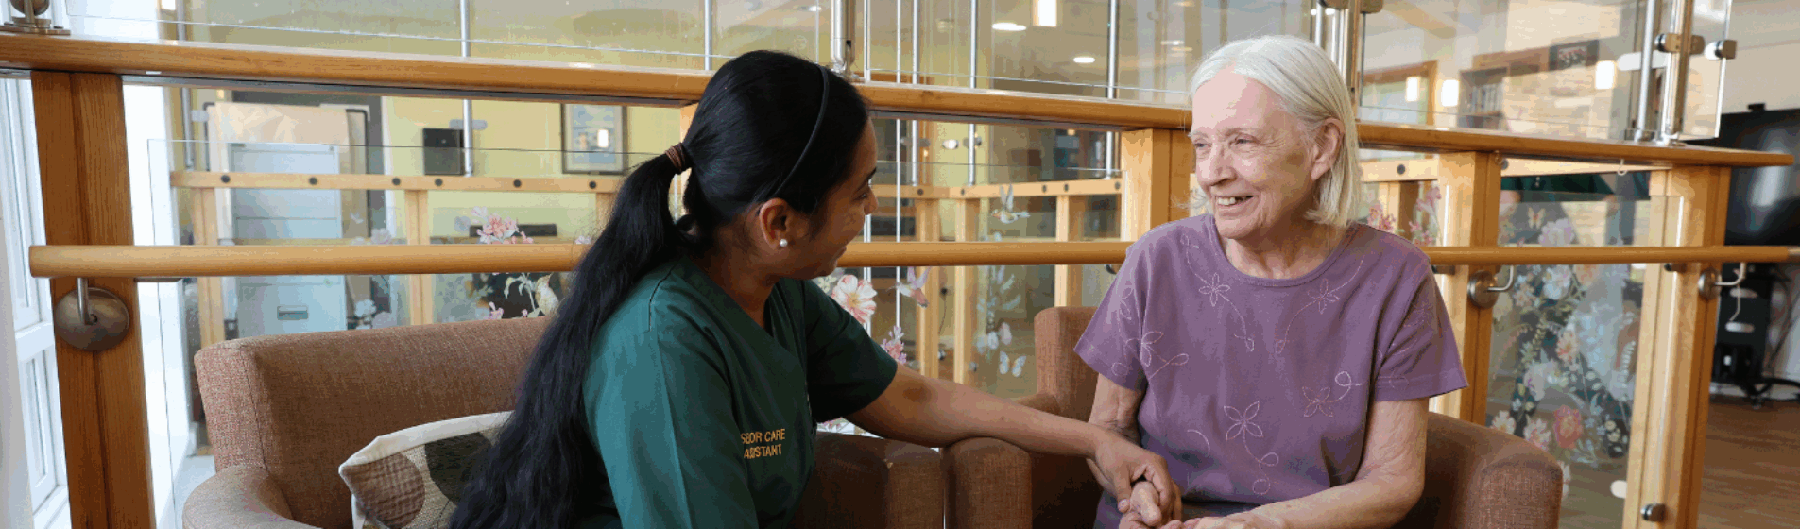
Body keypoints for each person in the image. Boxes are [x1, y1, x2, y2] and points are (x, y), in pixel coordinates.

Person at [449, 50, 1180, 529]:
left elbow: (911, 398)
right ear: (779, 221)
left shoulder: (774, 292)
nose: (870, 209)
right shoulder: (664, 342)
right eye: (860, 191)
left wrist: (1096, 439)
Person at [1077, 35, 1466, 529]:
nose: (1211, 173)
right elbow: (1106, 429)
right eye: (1202, 145)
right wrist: (1136, 500)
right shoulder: (1157, 259)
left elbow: (1392, 479)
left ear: (1321, 147)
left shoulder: (1395, 278)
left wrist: (1256, 526)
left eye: (1241, 142)